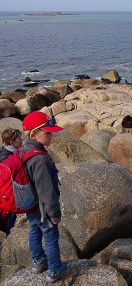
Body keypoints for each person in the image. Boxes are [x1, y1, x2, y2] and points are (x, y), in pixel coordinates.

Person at [22, 111, 66, 283]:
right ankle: (55, 270)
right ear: (33, 134)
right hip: (43, 207)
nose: (51, 136)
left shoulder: (24, 149)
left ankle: (38, 263)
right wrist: (54, 214)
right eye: (47, 133)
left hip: (30, 204)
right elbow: (46, 191)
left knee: (34, 230)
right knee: (50, 236)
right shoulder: (39, 160)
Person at [0, 128, 23, 234]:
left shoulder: (5, 152)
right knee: (9, 229)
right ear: (12, 142)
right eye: (19, 139)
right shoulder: (6, 157)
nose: (22, 140)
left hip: (7, 200)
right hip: (7, 201)